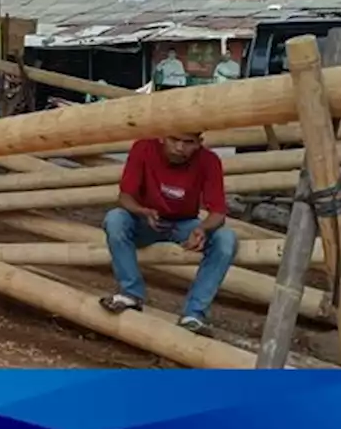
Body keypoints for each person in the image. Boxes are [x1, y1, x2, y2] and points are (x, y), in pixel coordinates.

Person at [98, 132, 238, 334]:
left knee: (226, 239)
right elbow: (125, 196)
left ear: (199, 143)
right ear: (162, 136)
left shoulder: (209, 160)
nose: (180, 148)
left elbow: (218, 212)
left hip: (185, 225)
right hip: (146, 221)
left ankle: (194, 314)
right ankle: (131, 294)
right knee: (115, 219)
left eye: (188, 142)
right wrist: (142, 211)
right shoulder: (143, 148)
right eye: (175, 140)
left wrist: (203, 228)